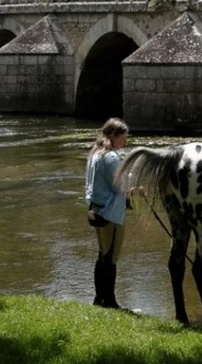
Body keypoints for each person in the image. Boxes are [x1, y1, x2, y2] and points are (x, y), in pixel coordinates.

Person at [85, 117, 130, 309]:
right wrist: (135, 188)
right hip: (110, 213)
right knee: (111, 258)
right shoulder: (110, 157)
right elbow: (120, 186)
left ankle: (99, 298)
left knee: (102, 255)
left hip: (97, 209)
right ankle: (109, 301)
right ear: (113, 136)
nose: (125, 141)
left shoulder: (95, 154)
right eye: (123, 137)